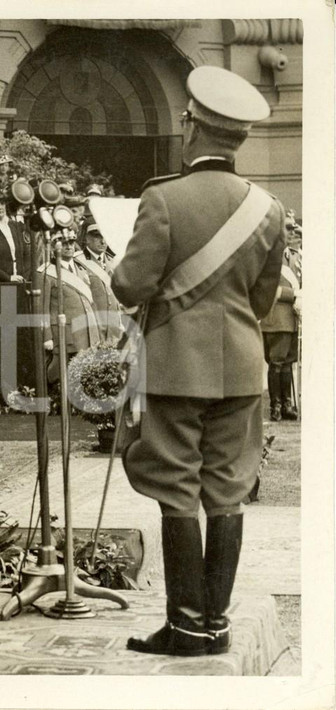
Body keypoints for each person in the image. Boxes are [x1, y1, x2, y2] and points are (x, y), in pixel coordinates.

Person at [112, 66, 285, 657]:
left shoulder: (163, 197)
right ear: (236, 137)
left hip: (175, 366)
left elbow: (129, 288)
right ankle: (216, 625)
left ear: (192, 127)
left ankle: (186, 626)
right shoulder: (268, 208)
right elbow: (261, 302)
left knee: (177, 488)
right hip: (241, 367)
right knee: (228, 491)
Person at [41, 231, 100, 384]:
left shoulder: (81, 269)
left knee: (85, 377)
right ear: (54, 246)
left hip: (86, 332)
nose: (68, 246)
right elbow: (42, 308)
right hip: (65, 334)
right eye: (63, 243)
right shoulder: (47, 272)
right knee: (62, 378)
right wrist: (47, 336)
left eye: (71, 242)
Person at [260, 217, 301, 421]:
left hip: (291, 318)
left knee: (287, 363)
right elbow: (266, 288)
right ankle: (275, 406)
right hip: (274, 317)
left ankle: (286, 404)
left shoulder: (294, 256)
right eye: (287, 229)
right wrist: (293, 295)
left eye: (293, 230)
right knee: (276, 362)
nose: (292, 233)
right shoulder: (269, 256)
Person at [75, 220, 122, 343]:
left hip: (114, 327)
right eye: (97, 236)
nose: (103, 241)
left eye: (105, 236)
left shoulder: (113, 262)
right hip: (92, 327)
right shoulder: (77, 262)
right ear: (86, 238)